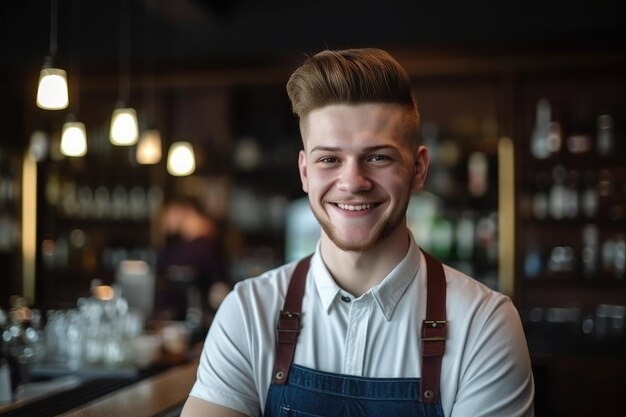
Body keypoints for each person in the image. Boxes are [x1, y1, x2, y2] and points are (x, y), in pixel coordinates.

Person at [181, 48, 534, 417]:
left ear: (418, 169)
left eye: (378, 157)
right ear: (305, 172)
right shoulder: (249, 312)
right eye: (329, 159)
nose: (352, 182)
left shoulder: (485, 325)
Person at [156, 196, 228, 327]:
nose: (166, 219)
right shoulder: (177, 245)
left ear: (186, 211)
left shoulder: (206, 246)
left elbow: (219, 287)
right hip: (171, 319)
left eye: (169, 213)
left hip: (196, 320)